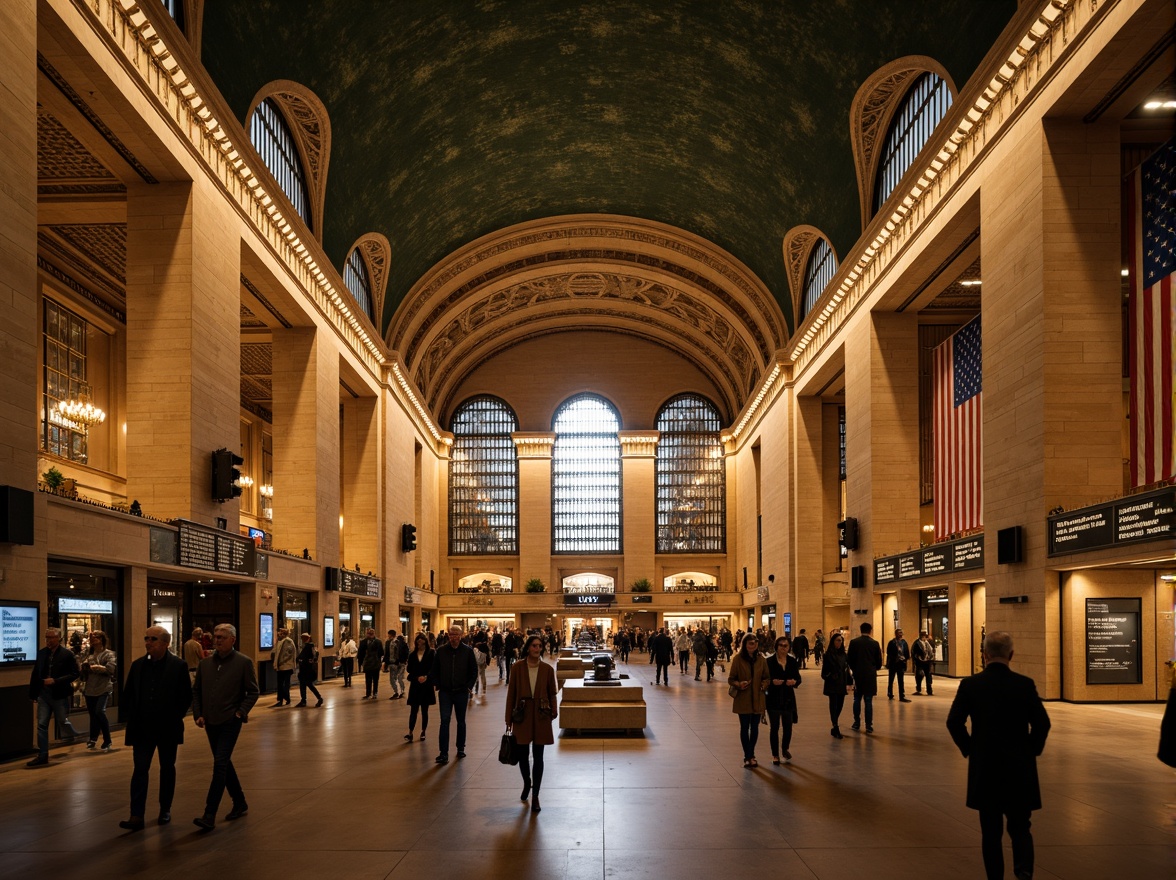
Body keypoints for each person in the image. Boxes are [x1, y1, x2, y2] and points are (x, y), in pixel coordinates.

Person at [946, 631, 1051, 880]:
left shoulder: (971, 685)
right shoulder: (1024, 685)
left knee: (990, 832)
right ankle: (1024, 874)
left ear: (985, 654)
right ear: (1011, 655)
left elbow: (954, 722)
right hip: (1019, 768)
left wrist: (970, 749)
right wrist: (1031, 750)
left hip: (986, 768)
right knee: (1021, 829)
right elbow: (1042, 724)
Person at [118, 625, 192, 830]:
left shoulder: (178, 666)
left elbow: (186, 697)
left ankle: (165, 809)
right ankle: (136, 815)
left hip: (167, 728)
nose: (148, 642)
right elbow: (129, 694)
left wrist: (173, 717)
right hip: (142, 729)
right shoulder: (138, 665)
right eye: (146, 638)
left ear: (165, 643)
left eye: (153, 639)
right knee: (140, 769)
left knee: (167, 768)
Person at [192, 623, 259, 831]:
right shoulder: (205, 664)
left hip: (230, 721)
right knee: (224, 762)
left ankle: (209, 814)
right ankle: (239, 801)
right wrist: (199, 713)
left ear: (233, 640)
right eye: (216, 637)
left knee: (220, 764)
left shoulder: (243, 663)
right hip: (211, 721)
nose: (217, 640)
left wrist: (240, 712)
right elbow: (197, 691)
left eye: (222, 637)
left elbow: (253, 691)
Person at [506, 634, 559, 812]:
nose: (537, 649)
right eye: (534, 646)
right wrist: (508, 719)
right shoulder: (517, 668)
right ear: (528, 647)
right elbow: (511, 694)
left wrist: (554, 710)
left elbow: (552, 692)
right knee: (522, 755)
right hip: (522, 715)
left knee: (538, 756)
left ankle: (535, 794)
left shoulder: (547, 669)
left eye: (539, 646)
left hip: (541, 715)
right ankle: (527, 782)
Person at [27, 627, 82, 766]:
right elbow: (35, 673)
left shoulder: (67, 654)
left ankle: (75, 734)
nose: (49, 640)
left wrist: (56, 681)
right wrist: (33, 693)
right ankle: (43, 754)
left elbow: (75, 674)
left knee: (62, 721)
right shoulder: (42, 654)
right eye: (47, 637)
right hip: (44, 694)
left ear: (58, 639)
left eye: (51, 637)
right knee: (41, 724)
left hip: (59, 694)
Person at [430, 625, 477, 763]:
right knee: (444, 721)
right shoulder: (441, 651)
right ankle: (443, 753)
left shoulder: (467, 651)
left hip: (461, 692)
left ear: (461, 635)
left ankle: (460, 748)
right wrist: (437, 683)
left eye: (456, 634)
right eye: (451, 634)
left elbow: (473, 671)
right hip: (445, 692)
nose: (453, 637)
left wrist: (469, 686)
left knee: (461, 721)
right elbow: (434, 670)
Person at [728, 633, 768, 767]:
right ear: (745, 645)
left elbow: (766, 677)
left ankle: (751, 754)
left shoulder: (761, 659)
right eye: (751, 643)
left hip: (758, 698)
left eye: (755, 643)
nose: (753, 646)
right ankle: (747, 755)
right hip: (743, 698)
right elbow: (731, 679)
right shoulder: (738, 659)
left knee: (755, 727)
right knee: (745, 727)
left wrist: (764, 684)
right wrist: (739, 684)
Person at [79, 630, 117, 751]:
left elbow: (110, 669)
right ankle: (93, 738)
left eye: (96, 637)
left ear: (102, 639)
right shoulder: (87, 653)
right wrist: (83, 667)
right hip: (90, 687)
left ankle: (107, 739)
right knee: (93, 714)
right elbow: (79, 664)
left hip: (103, 687)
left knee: (99, 711)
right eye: (92, 637)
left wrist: (96, 667)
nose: (93, 639)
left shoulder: (109, 654)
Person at [766, 635, 801, 764]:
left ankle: (785, 748)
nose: (783, 648)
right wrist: (771, 682)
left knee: (788, 727)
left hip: (788, 698)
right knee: (774, 727)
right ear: (776, 646)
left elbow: (798, 678)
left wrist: (794, 682)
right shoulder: (769, 661)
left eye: (786, 646)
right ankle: (775, 754)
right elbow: (764, 679)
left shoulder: (792, 661)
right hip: (773, 698)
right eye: (781, 645)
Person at [847, 622, 882, 733]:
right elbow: (879, 662)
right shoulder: (875, 644)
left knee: (857, 698)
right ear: (870, 630)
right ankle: (868, 725)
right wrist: (873, 668)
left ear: (860, 630)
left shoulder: (854, 643)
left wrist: (855, 669)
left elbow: (849, 659)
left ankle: (856, 722)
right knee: (868, 700)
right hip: (870, 676)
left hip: (858, 674)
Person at [821, 631, 852, 739]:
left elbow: (846, 669)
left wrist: (849, 682)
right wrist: (830, 675)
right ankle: (835, 725)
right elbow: (824, 673)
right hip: (832, 684)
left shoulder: (844, 655)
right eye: (838, 640)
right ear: (833, 641)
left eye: (841, 640)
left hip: (841, 683)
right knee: (833, 705)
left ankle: (835, 724)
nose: (840, 642)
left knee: (840, 705)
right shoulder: (828, 655)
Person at [404, 633, 435, 742]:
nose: (420, 643)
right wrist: (417, 677)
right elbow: (409, 669)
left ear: (425, 642)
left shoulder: (431, 653)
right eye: (418, 641)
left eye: (422, 640)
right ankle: (410, 732)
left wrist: (426, 677)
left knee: (424, 710)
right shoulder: (412, 655)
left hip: (426, 684)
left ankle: (423, 731)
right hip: (416, 684)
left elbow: (434, 668)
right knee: (413, 709)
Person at [295, 633, 323, 707]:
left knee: (308, 684)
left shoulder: (309, 646)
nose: (302, 640)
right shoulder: (311, 646)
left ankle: (317, 698)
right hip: (306, 669)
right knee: (306, 685)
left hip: (306, 669)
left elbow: (306, 657)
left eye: (303, 638)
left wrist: (301, 660)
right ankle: (306, 699)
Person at [269, 627, 296, 707]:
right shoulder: (279, 641)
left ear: (284, 634)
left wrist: (281, 662)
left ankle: (285, 697)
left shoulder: (288, 641)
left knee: (285, 684)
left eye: (280, 633)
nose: (278, 634)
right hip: (280, 667)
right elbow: (275, 652)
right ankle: (282, 699)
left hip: (286, 667)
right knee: (280, 684)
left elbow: (288, 654)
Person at [358, 627, 384, 699]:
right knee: (368, 679)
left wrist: (378, 660)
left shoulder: (378, 642)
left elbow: (381, 652)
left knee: (375, 679)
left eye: (371, 634)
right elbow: (360, 653)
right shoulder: (363, 642)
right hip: (367, 663)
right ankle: (368, 693)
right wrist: (361, 662)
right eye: (369, 634)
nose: (370, 635)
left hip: (375, 663)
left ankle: (375, 693)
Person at [886, 627, 911, 702]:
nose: (900, 634)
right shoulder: (892, 642)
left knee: (901, 680)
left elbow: (906, 652)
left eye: (901, 633)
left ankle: (902, 696)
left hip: (901, 663)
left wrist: (905, 659)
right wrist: (894, 658)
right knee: (891, 679)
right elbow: (889, 652)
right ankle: (890, 693)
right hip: (893, 663)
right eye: (899, 633)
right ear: (896, 634)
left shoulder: (904, 642)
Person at [385, 629, 408, 700]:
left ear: (390, 635)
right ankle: (400, 691)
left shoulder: (399, 642)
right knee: (396, 678)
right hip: (395, 663)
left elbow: (405, 652)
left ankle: (398, 692)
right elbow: (387, 653)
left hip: (398, 663)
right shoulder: (388, 642)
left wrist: (402, 661)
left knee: (396, 678)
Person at [912, 629, 935, 696]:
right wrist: (916, 660)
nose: (924, 637)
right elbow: (914, 653)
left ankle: (929, 690)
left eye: (925, 636)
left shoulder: (928, 643)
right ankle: (918, 689)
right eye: (923, 636)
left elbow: (932, 650)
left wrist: (931, 659)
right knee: (919, 675)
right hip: (920, 662)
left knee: (928, 676)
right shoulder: (917, 643)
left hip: (927, 662)